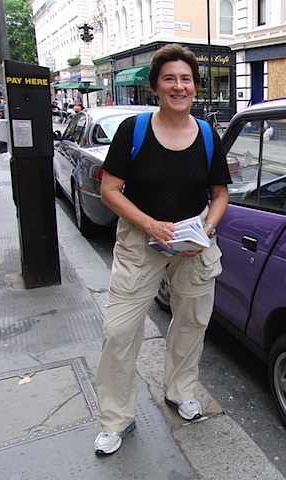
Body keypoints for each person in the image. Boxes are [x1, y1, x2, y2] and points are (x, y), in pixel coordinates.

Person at [93, 43, 232, 455]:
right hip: (142, 241)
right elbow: (109, 190)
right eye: (169, 78)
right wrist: (151, 224)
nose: (179, 86)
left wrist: (205, 231)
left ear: (195, 86)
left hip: (194, 242)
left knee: (191, 323)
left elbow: (220, 194)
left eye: (185, 79)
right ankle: (116, 418)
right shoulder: (133, 131)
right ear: (155, 87)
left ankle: (180, 391)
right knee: (119, 331)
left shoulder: (207, 133)